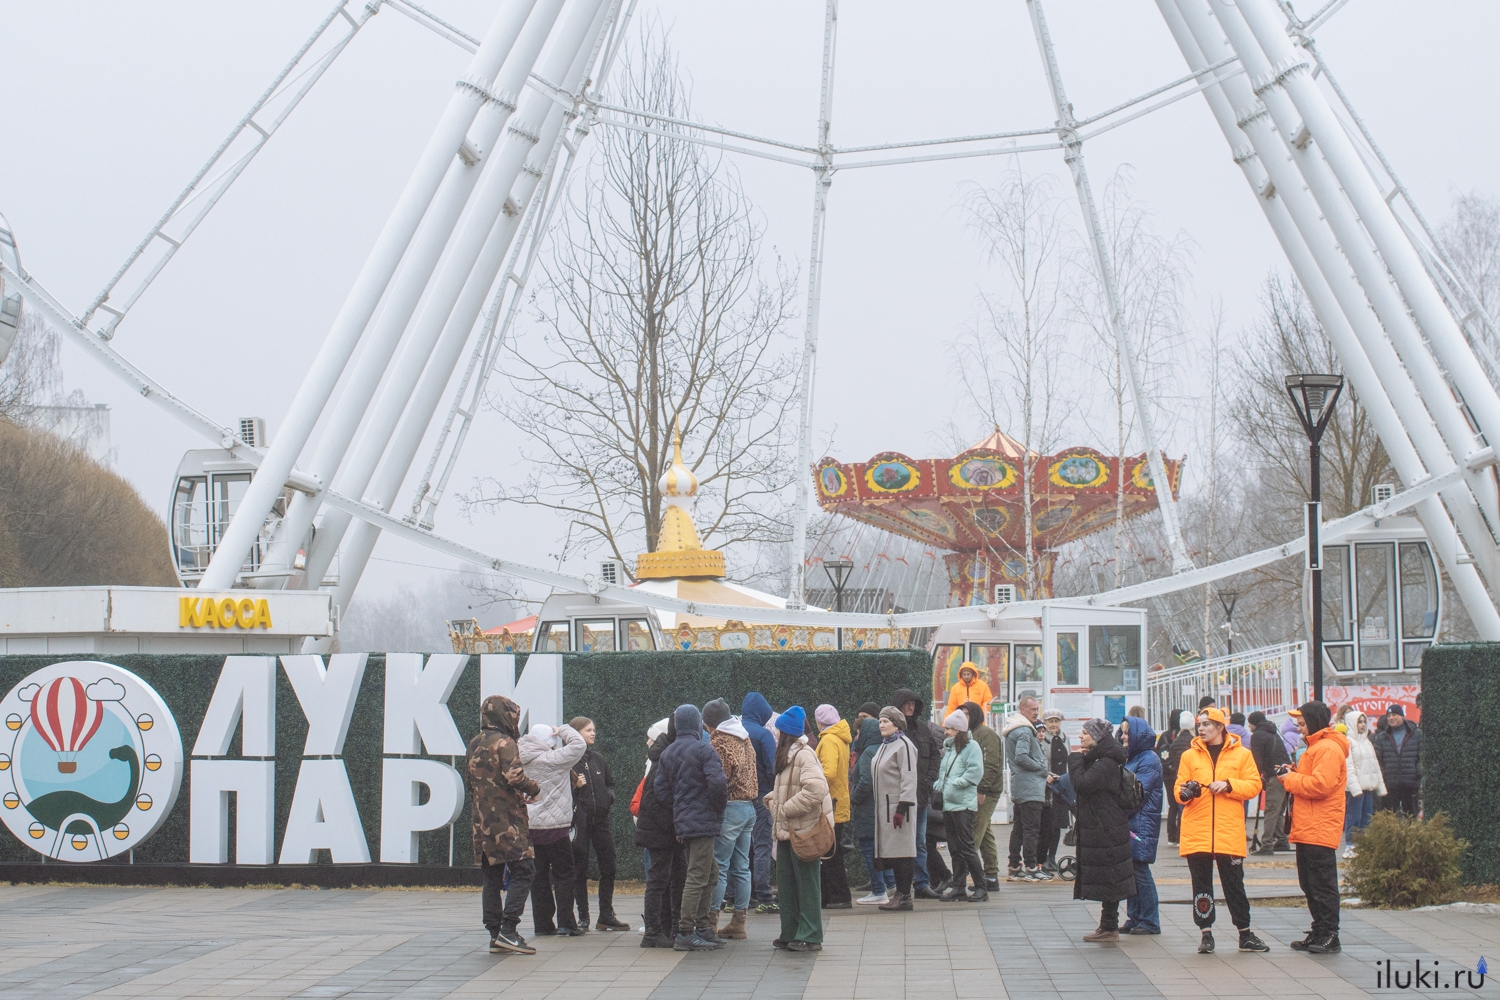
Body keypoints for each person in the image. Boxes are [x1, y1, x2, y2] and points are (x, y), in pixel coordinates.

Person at [1174, 707, 1269, 954]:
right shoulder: (1189, 756)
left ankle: (1244, 933)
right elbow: (1178, 789)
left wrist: (1229, 785)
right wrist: (1188, 792)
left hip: (1228, 830)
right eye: (1199, 725)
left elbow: (1254, 785)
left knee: (1234, 884)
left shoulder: (1242, 755)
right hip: (1198, 830)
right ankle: (1206, 933)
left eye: (1206, 724)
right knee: (1201, 884)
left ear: (1219, 727)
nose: (1202, 729)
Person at [466, 695, 540, 955]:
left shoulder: (475, 742)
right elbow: (514, 775)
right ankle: (509, 930)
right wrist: (533, 788)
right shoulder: (505, 742)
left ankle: (495, 933)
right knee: (525, 870)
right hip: (507, 820)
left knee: (492, 875)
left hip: (481, 821)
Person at [655, 703, 729, 952]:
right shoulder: (704, 749)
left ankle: (701, 927)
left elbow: (661, 791)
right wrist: (716, 808)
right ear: (697, 724)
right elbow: (718, 784)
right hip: (704, 821)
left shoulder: (668, 752)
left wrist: (680, 810)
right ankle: (687, 931)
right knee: (699, 875)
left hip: (685, 822)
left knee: (709, 873)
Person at [1279, 702, 1349, 955]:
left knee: (1321, 884)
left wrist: (1291, 779)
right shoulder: (1316, 747)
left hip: (1319, 826)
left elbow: (1321, 785)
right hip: (1309, 826)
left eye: (1302, 723)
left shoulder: (1327, 748)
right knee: (1309, 883)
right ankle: (1320, 930)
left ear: (1315, 721)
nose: (1299, 728)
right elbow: (1312, 779)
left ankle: (1330, 933)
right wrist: (1292, 773)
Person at [764, 705, 832, 952]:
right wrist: (773, 800)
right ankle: (791, 931)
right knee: (788, 883)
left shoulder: (803, 755)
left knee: (806, 883)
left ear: (785, 733)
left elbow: (816, 789)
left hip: (803, 830)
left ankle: (811, 935)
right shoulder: (788, 756)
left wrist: (786, 808)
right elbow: (791, 788)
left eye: (778, 730)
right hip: (786, 831)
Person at [518, 722, 588, 938]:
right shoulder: (555, 759)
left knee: (538, 877)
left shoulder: (520, 759)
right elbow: (579, 745)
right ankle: (566, 922)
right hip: (556, 828)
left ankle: (543, 924)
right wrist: (564, 729)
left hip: (531, 826)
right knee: (564, 875)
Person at [1070, 718, 1135, 943]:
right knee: (1110, 876)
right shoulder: (1102, 758)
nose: (1080, 736)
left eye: (1085, 732)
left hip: (1106, 827)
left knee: (1111, 877)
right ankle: (1108, 924)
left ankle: (1110, 927)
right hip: (1105, 825)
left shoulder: (1105, 762)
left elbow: (1082, 784)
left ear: (1097, 737)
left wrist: (1075, 759)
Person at [703, 698, 756, 940]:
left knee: (719, 867)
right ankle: (739, 922)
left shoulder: (720, 743)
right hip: (748, 808)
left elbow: (718, 781)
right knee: (742, 867)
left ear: (712, 724)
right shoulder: (745, 738)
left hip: (730, 808)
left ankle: (711, 921)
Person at [569, 716, 628, 932]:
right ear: (576, 733)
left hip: (601, 820)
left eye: (593, 729)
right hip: (580, 821)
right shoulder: (568, 761)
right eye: (588, 730)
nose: (593, 733)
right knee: (580, 869)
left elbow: (610, 784)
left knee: (609, 866)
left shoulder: (598, 759)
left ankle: (606, 915)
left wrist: (608, 797)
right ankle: (583, 917)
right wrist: (575, 787)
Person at [635, 716, 686, 948]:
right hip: (662, 829)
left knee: (673, 876)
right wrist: (674, 826)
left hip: (660, 827)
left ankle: (667, 927)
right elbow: (660, 798)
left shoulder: (663, 754)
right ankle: (654, 931)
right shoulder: (666, 757)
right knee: (660, 879)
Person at [893, 687, 943, 899]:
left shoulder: (923, 730)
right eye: (907, 704)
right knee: (899, 843)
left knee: (920, 841)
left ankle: (921, 883)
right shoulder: (893, 731)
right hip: (899, 798)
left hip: (920, 797)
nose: (911, 707)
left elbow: (934, 757)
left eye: (914, 704)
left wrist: (928, 780)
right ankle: (901, 884)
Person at [934, 709, 987, 901]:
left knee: (966, 847)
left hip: (963, 805)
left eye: (949, 728)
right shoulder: (950, 748)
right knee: (955, 848)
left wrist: (958, 784)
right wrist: (940, 785)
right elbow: (944, 773)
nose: (946, 731)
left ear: (958, 730)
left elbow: (975, 771)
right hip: (950, 805)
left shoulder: (971, 747)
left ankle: (981, 886)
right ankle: (958, 886)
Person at [872, 706, 920, 912]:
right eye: (880, 721)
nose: (882, 725)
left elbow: (909, 776)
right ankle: (900, 894)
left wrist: (902, 807)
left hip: (898, 808)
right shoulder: (885, 745)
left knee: (903, 852)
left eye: (886, 721)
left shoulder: (904, 745)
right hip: (884, 808)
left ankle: (904, 896)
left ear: (896, 724)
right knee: (894, 852)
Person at [1118, 716, 1162, 935]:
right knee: (1132, 871)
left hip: (1141, 823)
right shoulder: (1133, 757)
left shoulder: (1148, 759)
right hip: (1134, 821)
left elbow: (1137, 792)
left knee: (1140, 870)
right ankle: (1135, 917)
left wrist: (1118, 809)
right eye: (1122, 732)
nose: (1123, 736)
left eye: (1127, 733)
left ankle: (1150, 920)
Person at [1001, 695, 1051, 881]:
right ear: (1023, 710)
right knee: (1031, 829)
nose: (1036, 712)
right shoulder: (1023, 731)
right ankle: (1031, 866)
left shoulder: (1015, 729)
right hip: (1030, 787)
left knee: (1020, 828)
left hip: (1021, 785)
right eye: (1033, 709)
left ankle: (1014, 865)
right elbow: (1022, 757)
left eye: (1037, 709)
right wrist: (1041, 767)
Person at [741, 693, 781, 912]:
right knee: (762, 845)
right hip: (762, 796)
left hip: (737, 798)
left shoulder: (732, 732)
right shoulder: (763, 735)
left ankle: (738, 897)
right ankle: (764, 895)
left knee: (740, 848)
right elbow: (773, 767)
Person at [813, 704, 853, 909]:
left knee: (830, 853)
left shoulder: (828, 740)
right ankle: (834, 895)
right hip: (839, 801)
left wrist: (813, 788)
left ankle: (838, 896)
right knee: (833, 851)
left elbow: (827, 772)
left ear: (820, 722)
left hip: (831, 804)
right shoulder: (840, 738)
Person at [850, 717, 892, 904]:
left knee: (869, 849)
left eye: (858, 733)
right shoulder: (883, 749)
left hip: (867, 809)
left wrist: (854, 798)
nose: (856, 737)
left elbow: (866, 780)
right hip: (881, 807)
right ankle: (890, 885)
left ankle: (878, 890)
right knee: (882, 850)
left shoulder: (867, 753)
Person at [961, 701, 1004, 889]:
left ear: (976, 715)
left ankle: (962, 877)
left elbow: (992, 764)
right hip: (977, 789)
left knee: (974, 833)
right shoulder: (970, 735)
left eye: (967, 714)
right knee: (984, 832)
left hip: (986, 791)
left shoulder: (986, 735)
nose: (964, 717)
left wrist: (982, 789)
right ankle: (991, 876)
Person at [1247, 710, 1292, 854]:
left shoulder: (1258, 735)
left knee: (1271, 810)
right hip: (1287, 774)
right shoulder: (1273, 731)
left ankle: (1266, 844)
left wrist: (1256, 777)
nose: (1248, 727)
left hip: (1274, 776)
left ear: (1254, 723)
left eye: (1249, 724)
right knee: (1279, 810)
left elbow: (1257, 759)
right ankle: (1282, 840)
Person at [1342, 711, 1384, 858]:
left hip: (1367, 787)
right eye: (1359, 722)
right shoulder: (1348, 742)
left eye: (1364, 721)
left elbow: (1375, 765)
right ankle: (1350, 845)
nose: (1362, 725)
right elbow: (1349, 767)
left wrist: (1380, 786)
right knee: (1354, 817)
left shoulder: (1367, 742)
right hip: (1355, 788)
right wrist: (1354, 788)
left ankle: (1363, 845)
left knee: (1366, 817)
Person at [1372, 704, 1422, 816]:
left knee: (1411, 817)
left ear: (1401, 716)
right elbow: (1377, 759)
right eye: (1388, 715)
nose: (1391, 718)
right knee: (1390, 818)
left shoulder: (1416, 734)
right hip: (1390, 785)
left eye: (1394, 715)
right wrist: (1384, 775)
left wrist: (1417, 772)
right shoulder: (1381, 737)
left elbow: (1421, 756)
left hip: (1410, 783)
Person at [1039, 707, 1070, 872]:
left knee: (1057, 823)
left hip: (1061, 786)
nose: (1053, 724)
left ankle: (1052, 857)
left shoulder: (1065, 739)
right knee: (1047, 824)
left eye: (1056, 721)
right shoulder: (1043, 740)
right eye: (1050, 721)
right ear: (1045, 723)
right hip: (1047, 786)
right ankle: (1042, 858)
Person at [1164, 710, 1195, 845]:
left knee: (1173, 806)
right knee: (1187, 808)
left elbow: (1169, 758)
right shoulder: (1194, 741)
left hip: (1175, 776)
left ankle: (1173, 836)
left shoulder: (1175, 741)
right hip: (1191, 778)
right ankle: (1184, 835)